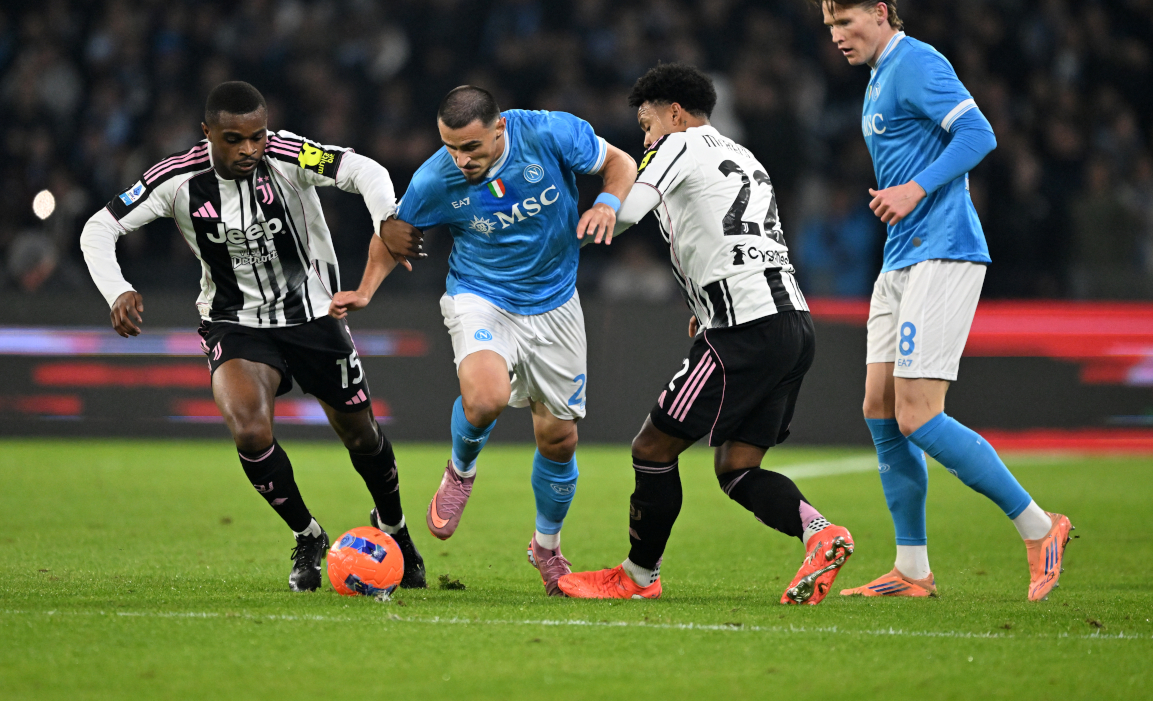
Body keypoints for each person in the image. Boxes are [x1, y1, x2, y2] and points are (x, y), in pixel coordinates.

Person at [80, 81, 427, 593]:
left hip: (314, 317)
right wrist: (117, 290)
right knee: (249, 428)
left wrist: (386, 217)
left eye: (256, 136)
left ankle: (394, 530)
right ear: (207, 135)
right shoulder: (175, 179)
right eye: (233, 138)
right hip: (234, 323)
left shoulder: (287, 153)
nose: (248, 149)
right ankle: (308, 535)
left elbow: (361, 168)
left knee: (361, 435)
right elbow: (98, 228)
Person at [806, 0, 1072, 601]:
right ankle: (913, 569)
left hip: (944, 251)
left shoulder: (916, 61)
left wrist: (915, 187)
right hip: (901, 258)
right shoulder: (876, 79)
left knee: (919, 415)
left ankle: (1040, 527)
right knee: (879, 408)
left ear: (880, 11)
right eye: (829, 25)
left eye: (845, 21)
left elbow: (979, 133)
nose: (838, 35)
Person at [557, 63, 855, 605]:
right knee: (738, 467)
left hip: (744, 328)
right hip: (790, 323)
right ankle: (821, 533)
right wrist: (703, 302)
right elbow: (737, 237)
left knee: (651, 447)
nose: (645, 140)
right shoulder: (745, 157)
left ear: (674, 113)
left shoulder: (680, 144)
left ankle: (639, 576)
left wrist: (573, 227)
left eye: (647, 125)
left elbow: (630, 210)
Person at [329, 85, 636, 596]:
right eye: (450, 146)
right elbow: (392, 234)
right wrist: (365, 289)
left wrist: (607, 202)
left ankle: (546, 547)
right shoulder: (436, 177)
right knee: (486, 397)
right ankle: (461, 470)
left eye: (471, 147)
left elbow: (621, 163)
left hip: (556, 301)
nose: (460, 159)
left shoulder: (549, 132)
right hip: (480, 296)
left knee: (559, 439)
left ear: (500, 128)